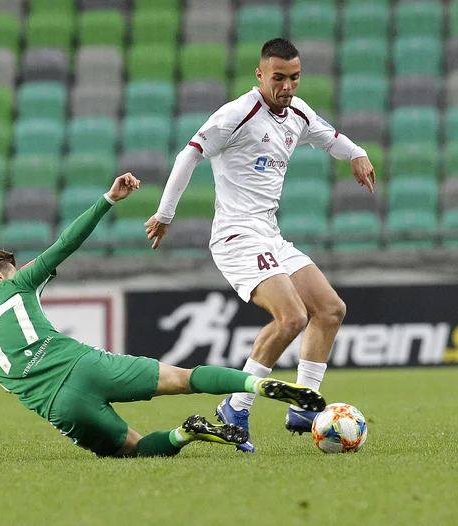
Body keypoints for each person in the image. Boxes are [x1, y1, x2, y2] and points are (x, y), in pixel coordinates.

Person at [0, 173, 326, 460]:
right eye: (14, 267)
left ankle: (185, 434)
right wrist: (108, 198)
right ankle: (256, 387)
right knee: (184, 378)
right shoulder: (15, 287)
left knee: (134, 450)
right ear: (1, 275)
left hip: (60, 406)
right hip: (87, 364)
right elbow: (66, 243)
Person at [145, 38, 376, 453]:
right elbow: (189, 155)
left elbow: (330, 137)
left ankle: (304, 406)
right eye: (279, 78)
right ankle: (236, 405)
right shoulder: (237, 114)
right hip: (236, 235)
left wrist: (357, 154)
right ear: (260, 74)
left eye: (294, 77)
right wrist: (165, 214)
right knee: (291, 317)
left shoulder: (298, 112)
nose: (287, 86)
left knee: (330, 309)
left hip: (269, 233)